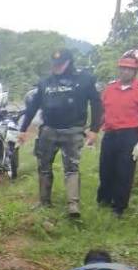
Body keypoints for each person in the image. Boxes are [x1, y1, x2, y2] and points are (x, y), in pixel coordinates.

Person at [18, 48, 103, 218]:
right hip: (49, 130)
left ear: (69, 62)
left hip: (73, 130)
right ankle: (44, 202)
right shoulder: (45, 82)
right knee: (43, 166)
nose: (56, 67)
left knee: (72, 168)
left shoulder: (84, 79)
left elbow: (96, 104)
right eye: (54, 64)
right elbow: (32, 107)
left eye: (60, 64)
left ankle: (73, 205)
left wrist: (94, 129)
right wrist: (23, 129)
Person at [98, 50, 138, 218]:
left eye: (129, 69)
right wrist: (93, 129)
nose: (125, 71)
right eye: (122, 68)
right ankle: (104, 199)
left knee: (124, 171)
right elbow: (103, 111)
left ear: (135, 71)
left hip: (129, 135)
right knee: (105, 168)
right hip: (110, 134)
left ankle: (119, 207)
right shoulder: (110, 88)